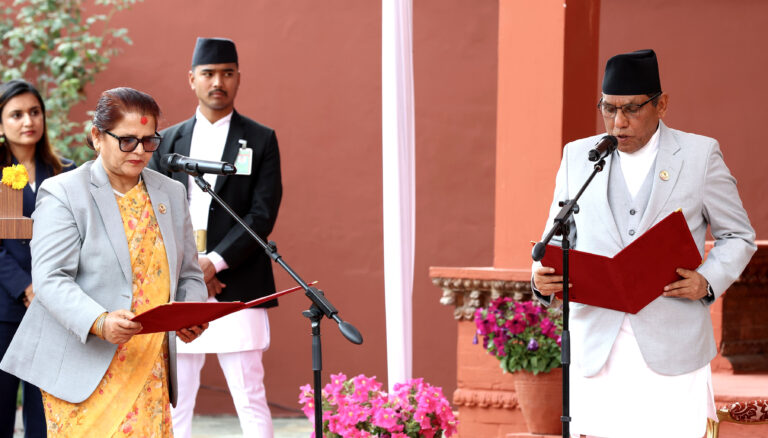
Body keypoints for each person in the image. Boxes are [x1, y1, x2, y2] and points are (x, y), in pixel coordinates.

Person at [532, 49, 756, 438]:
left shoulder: (700, 155)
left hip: (675, 346)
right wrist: (541, 279)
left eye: (632, 109)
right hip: (597, 346)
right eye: (608, 109)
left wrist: (707, 281)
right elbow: (555, 235)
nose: (619, 122)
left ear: (661, 104)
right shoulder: (578, 157)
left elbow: (738, 235)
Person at [0, 87, 209, 436]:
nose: (140, 151)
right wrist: (99, 321)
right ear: (97, 137)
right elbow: (51, 278)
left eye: (149, 140)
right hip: (85, 365)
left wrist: (190, 312)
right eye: (127, 141)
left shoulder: (170, 192)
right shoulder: (65, 192)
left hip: (148, 364)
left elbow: (189, 273)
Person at [148, 37, 282, 438]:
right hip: (178, 284)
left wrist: (215, 262)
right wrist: (192, 268)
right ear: (192, 79)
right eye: (208, 74)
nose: (217, 82)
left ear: (239, 77)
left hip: (238, 281)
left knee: (250, 396)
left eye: (227, 73)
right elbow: (152, 212)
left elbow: (261, 214)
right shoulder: (167, 141)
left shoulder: (260, 139)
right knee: (175, 401)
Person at [0, 79, 75, 438]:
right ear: (1, 124)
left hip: (53, 309)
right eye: (16, 115)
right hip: (5, 308)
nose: (28, 121)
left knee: (44, 414)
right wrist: (26, 287)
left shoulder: (66, 172)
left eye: (34, 112)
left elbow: (77, 237)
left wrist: (49, 288)